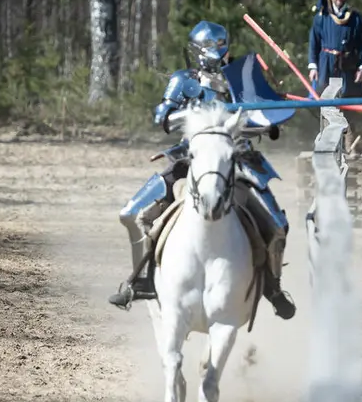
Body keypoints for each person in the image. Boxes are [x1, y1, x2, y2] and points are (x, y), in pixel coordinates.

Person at [106, 20, 296, 321]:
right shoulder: (184, 80)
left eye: (221, 45)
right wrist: (194, 113)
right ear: (197, 50)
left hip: (237, 161)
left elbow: (264, 114)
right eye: (209, 47)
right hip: (190, 159)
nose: (217, 52)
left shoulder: (241, 79)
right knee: (131, 213)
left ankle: (273, 288)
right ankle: (142, 281)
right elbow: (163, 117)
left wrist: (269, 118)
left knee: (277, 225)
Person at [307, 0, 362, 150]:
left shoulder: (355, 18)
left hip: (348, 65)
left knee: (348, 99)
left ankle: (350, 141)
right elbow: (314, 42)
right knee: (326, 100)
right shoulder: (322, 17)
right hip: (326, 64)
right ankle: (327, 140)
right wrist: (313, 66)